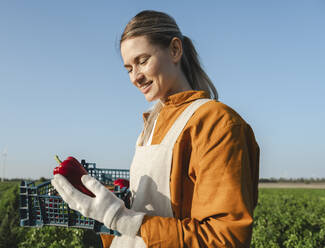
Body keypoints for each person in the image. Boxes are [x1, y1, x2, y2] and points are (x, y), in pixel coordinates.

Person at [52, 10, 260, 248]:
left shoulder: (216, 123)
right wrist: (107, 210)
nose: (135, 78)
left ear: (175, 50)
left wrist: (120, 217)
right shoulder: (150, 126)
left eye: (142, 61)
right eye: (129, 68)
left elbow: (225, 239)